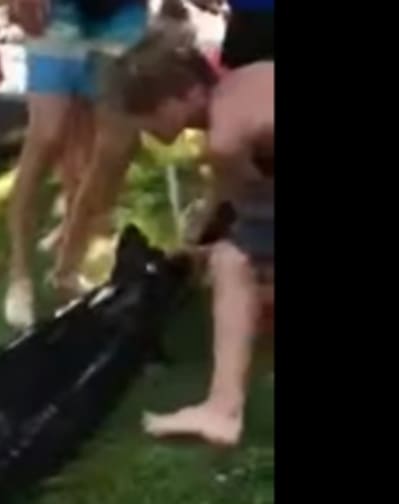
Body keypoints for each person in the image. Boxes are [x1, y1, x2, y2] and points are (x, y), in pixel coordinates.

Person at [102, 33, 272, 446]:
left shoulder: (225, 143)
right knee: (235, 260)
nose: (143, 126)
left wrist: (210, 252)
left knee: (233, 264)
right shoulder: (248, 80)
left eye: (148, 111)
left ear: (189, 94)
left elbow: (257, 234)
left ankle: (222, 410)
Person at [2, 0, 154, 329]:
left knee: (116, 146)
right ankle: (19, 274)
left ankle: (66, 269)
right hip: (56, 14)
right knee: (48, 135)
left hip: (121, 16)